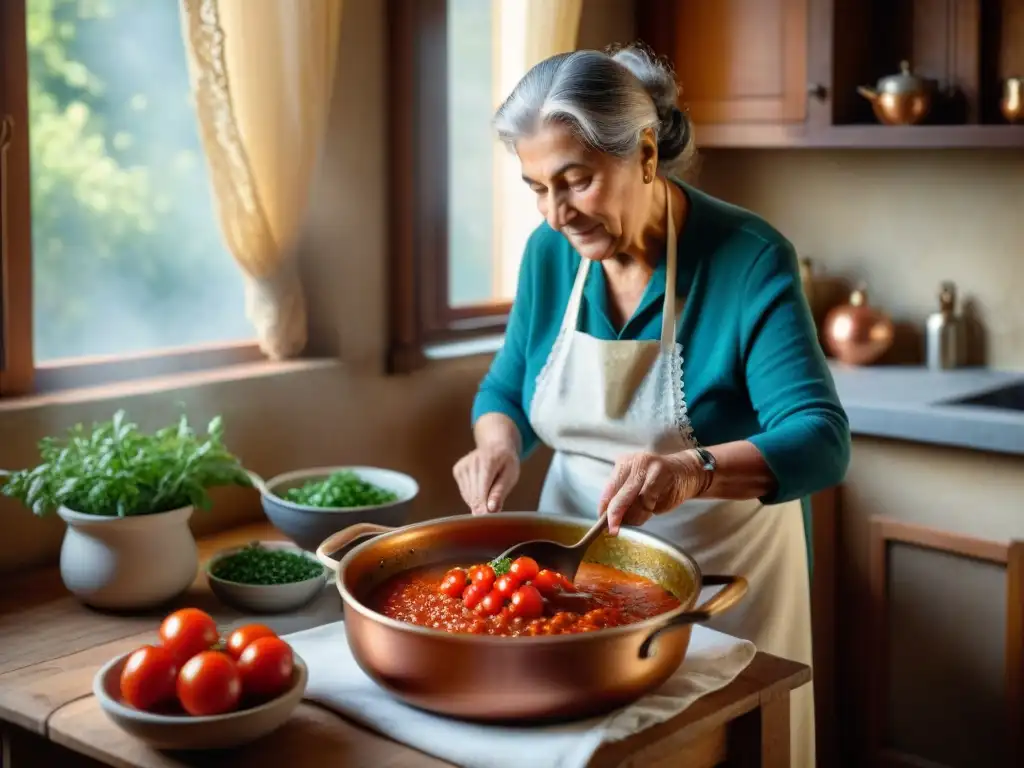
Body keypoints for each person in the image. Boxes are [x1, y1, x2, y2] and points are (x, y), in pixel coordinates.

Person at [452, 44, 850, 767]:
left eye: (575, 182)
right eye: (536, 188)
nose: (556, 214)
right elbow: (505, 388)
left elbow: (821, 438)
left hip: (728, 585)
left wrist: (690, 471)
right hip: (580, 571)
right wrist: (499, 444)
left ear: (641, 154)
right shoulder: (551, 255)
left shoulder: (748, 257)